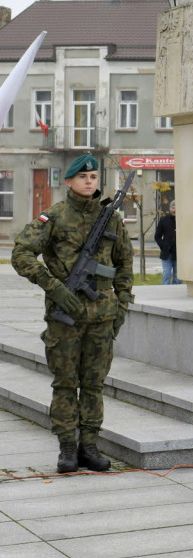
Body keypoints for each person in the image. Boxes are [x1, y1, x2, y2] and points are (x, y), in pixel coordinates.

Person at [11, 153, 135, 473]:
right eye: (83, 177)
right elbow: (21, 253)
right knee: (66, 384)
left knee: (94, 384)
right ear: (68, 181)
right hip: (65, 317)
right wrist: (54, 288)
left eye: (93, 178)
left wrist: (121, 305)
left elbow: (124, 265)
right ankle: (67, 447)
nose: (89, 182)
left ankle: (89, 446)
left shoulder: (112, 220)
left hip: (102, 316)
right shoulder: (54, 217)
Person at [154, 200, 180, 285]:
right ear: (169, 208)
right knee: (167, 274)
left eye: (176, 208)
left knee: (178, 277)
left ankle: (177, 294)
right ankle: (165, 293)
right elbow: (157, 236)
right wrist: (163, 246)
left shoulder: (182, 220)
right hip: (166, 253)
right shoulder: (164, 220)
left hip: (179, 254)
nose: (174, 210)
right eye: (173, 208)